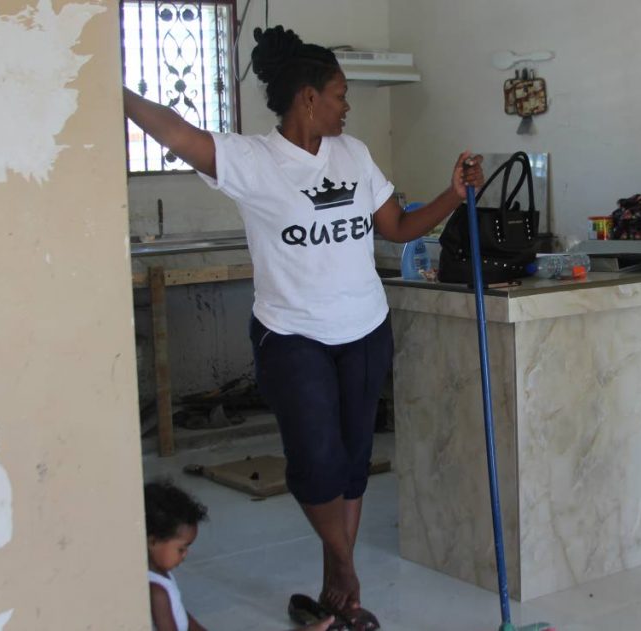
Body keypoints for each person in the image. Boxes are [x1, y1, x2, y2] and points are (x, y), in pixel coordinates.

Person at [125, 25, 484, 629]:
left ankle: (333, 591)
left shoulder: (356, 154)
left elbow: (396, 227)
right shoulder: (253, 160)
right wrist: (116, 92)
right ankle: (345, 572)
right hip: (292, 335)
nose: (348, 105)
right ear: (308, 98)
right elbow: (176, 131)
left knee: (350, 464)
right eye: (341, 94)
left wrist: (452, 195)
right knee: (315, 463)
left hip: (365, 328)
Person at [145, 479, 336, 631]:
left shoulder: (161, 576)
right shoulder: (156, 592)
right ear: (152, 541)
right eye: (181, 549)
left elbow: (185, 620)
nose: (185, 555)